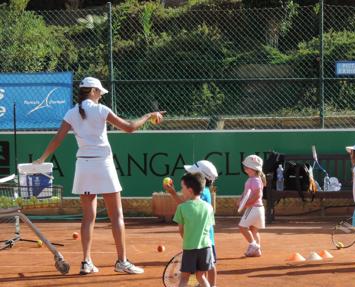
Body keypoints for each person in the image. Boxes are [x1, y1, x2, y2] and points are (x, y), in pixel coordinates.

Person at [34, 77, 163, 275]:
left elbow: (58, 138)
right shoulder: (101, 110)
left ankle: (86, 262)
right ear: (93, 91)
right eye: (100, 93)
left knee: (88, 217)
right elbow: (129, 127)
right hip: (102, 164)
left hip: (84, 166)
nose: (101, 96)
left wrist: (41, 159)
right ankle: (122, 261)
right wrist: (148, 115)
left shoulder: (71, 112)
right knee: (116, 215)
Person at [164, 160, 219, 287]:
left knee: (203, 270)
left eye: (192, 172)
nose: (188, 172)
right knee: (204, 271)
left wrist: (172, 193)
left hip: (199, 239)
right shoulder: (204, 194)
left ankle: (212, 285)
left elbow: (186, 207)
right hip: (205, 241)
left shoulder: (203, 193)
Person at [173, 173, 215, 287]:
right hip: (206, 248)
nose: (181, 190)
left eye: (182, 188)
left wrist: (188, 239)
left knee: (184, 279)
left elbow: (181, 230)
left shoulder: (181, 208)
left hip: (190, 248)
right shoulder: (209, 207)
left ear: (190, 190)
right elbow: (209, 227)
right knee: (201, 276)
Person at [238, 155, 266, 257]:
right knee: (254, 230)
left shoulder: (254, 180)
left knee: (242, 227)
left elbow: (258, 194)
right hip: (259, 209)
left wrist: (247, 204)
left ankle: (253, 245)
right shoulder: (254, 179)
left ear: (254, 169)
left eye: (247, 166)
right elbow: (247, 192)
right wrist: (241, 200)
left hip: (253, 208)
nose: (245, 168)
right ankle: (257, 250)